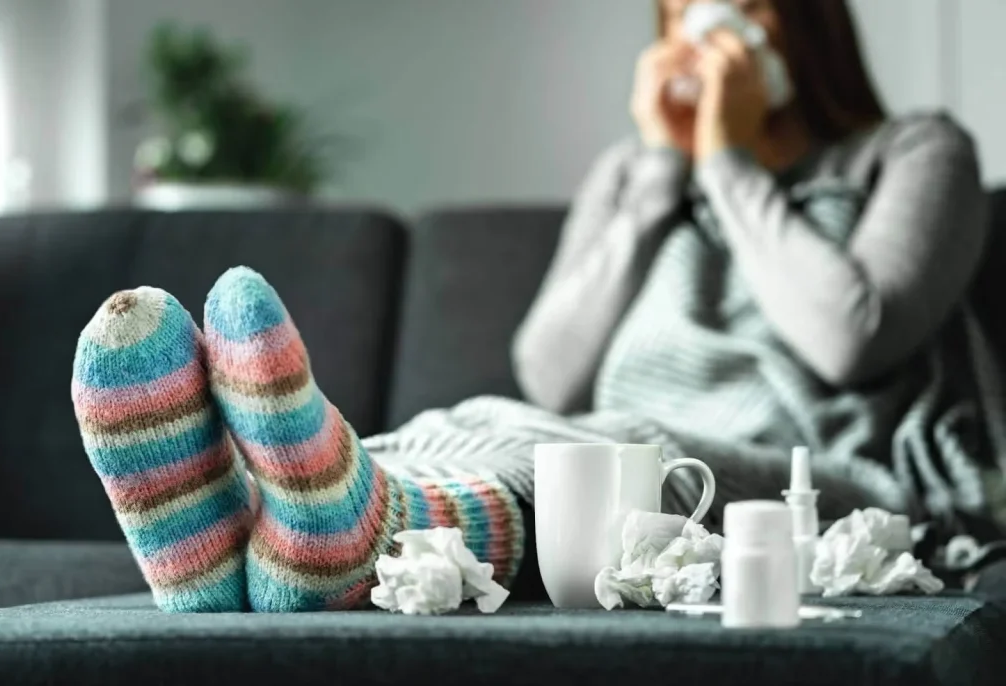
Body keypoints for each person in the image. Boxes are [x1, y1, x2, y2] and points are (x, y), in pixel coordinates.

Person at [71, 0, 1001, 614]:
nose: (715, 38)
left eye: (745, 10)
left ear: (805, 24)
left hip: (811, 477)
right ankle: (238, 546)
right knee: (462, 420)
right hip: (601, 432)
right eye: (688, 13)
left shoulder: (917, 151)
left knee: (610, 457)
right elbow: (547, 369)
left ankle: (360, 540)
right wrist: (656, 179)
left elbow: (850, 339)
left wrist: (726, 161)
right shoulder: (634, 178)